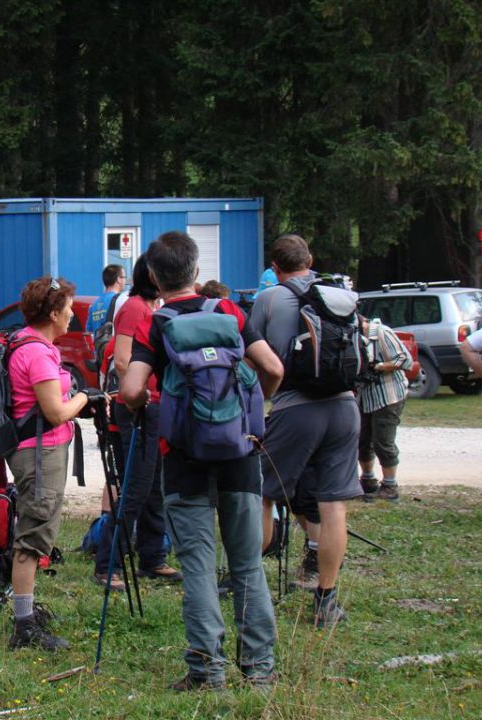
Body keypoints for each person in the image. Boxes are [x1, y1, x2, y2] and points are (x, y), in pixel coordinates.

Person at [121, 232, 283, 691]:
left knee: (196, 564)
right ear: (195, 270)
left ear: (153, 276)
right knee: (247, 564)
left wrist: (146, 404)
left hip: (185, 459)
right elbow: (272, 369)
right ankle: (259, 671)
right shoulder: (230, 313)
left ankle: (206, 671)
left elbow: (132, 390)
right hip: (240, 453)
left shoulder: (157, 323)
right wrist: (250, 410)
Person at [249, 233, 362, 629]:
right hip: (345, 406)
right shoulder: (339, 292)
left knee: (262, 492)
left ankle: (246, 581)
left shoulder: (270, 297)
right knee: (333, 504)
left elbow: (256, 353)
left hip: (295, 406)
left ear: (274, 268)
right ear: (310, 259)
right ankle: (326, 598)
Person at [5, 276, 105, 651]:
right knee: (33, 535)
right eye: (67, 309)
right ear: (52, 312)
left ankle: (25, 613)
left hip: (37, 448)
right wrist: (85, 398)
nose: (71, 317)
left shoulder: (27, 341)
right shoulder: (37, 352)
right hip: (39, 451)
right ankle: (23, 625)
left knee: (37, 529)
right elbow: (56, 410)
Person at [93, 254, 180, 591]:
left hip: (155, 406)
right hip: (140, 407)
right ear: (154, 277)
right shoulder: (134, 308)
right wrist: (139, 397)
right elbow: (122, 360)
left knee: (154, 487)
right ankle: (107, 564)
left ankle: (152, 556)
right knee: (136, 487)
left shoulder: (149, 308)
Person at [356, 316, 414, 501]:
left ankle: (390, 485)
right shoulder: (353, 337)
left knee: (383, 440)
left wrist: (379, 366)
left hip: (389, 395)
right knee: (362, 440)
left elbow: (405, 360)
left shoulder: (382, 332)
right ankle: (368, 480)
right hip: (365, 396)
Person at [85, 264, 127, 334]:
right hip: (114, 343)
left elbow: (89, 330)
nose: (125, 281)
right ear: (118, 279)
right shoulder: (121, 300)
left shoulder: (94, 304)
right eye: (124, 277)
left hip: (98, 344)